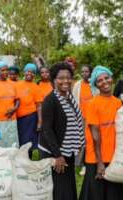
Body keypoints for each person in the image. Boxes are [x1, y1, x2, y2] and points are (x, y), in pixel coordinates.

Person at [39, 62, 85, 200]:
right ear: (54, 80)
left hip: (67, 149)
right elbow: (46, 129)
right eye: (61, 78)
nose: (65, 81)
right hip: (54, 152)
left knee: (68, 184)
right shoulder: (50, 100)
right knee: (59, 188)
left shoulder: (69, 97)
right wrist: (57, 156)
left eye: (68, 77)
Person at [79, 65, 123, 200]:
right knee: (95, 194)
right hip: (96, 158)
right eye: (100, 81)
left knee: (114, 193)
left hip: (114, 156)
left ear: (112, 79)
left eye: (107, 78)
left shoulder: (118, 103)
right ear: (96, 85)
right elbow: (95, 135)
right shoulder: (93, 104)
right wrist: (99, 162)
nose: (104, 82)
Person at [72, 64, 96, 175]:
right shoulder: (78, 85)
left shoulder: (94, 85)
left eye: (86, 71)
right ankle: (79, 162)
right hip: (81, 117)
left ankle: (88, 163)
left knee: (91, 140)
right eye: (82, 72)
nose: (84, 74)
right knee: (81, 140)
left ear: (91, 73)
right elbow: (74, 100)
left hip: (93, 118)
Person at [16, 63, 42, 153]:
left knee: (29, 142)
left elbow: (39, 106)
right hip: (18, 118)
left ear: (35, 74)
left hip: (30, 118)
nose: (29, 74)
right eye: (28, 71)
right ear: (24, 72)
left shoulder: (36, 87)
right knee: (20, 140)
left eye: (32, 72)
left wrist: (39, 122)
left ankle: (29, 161)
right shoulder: (17, 84)